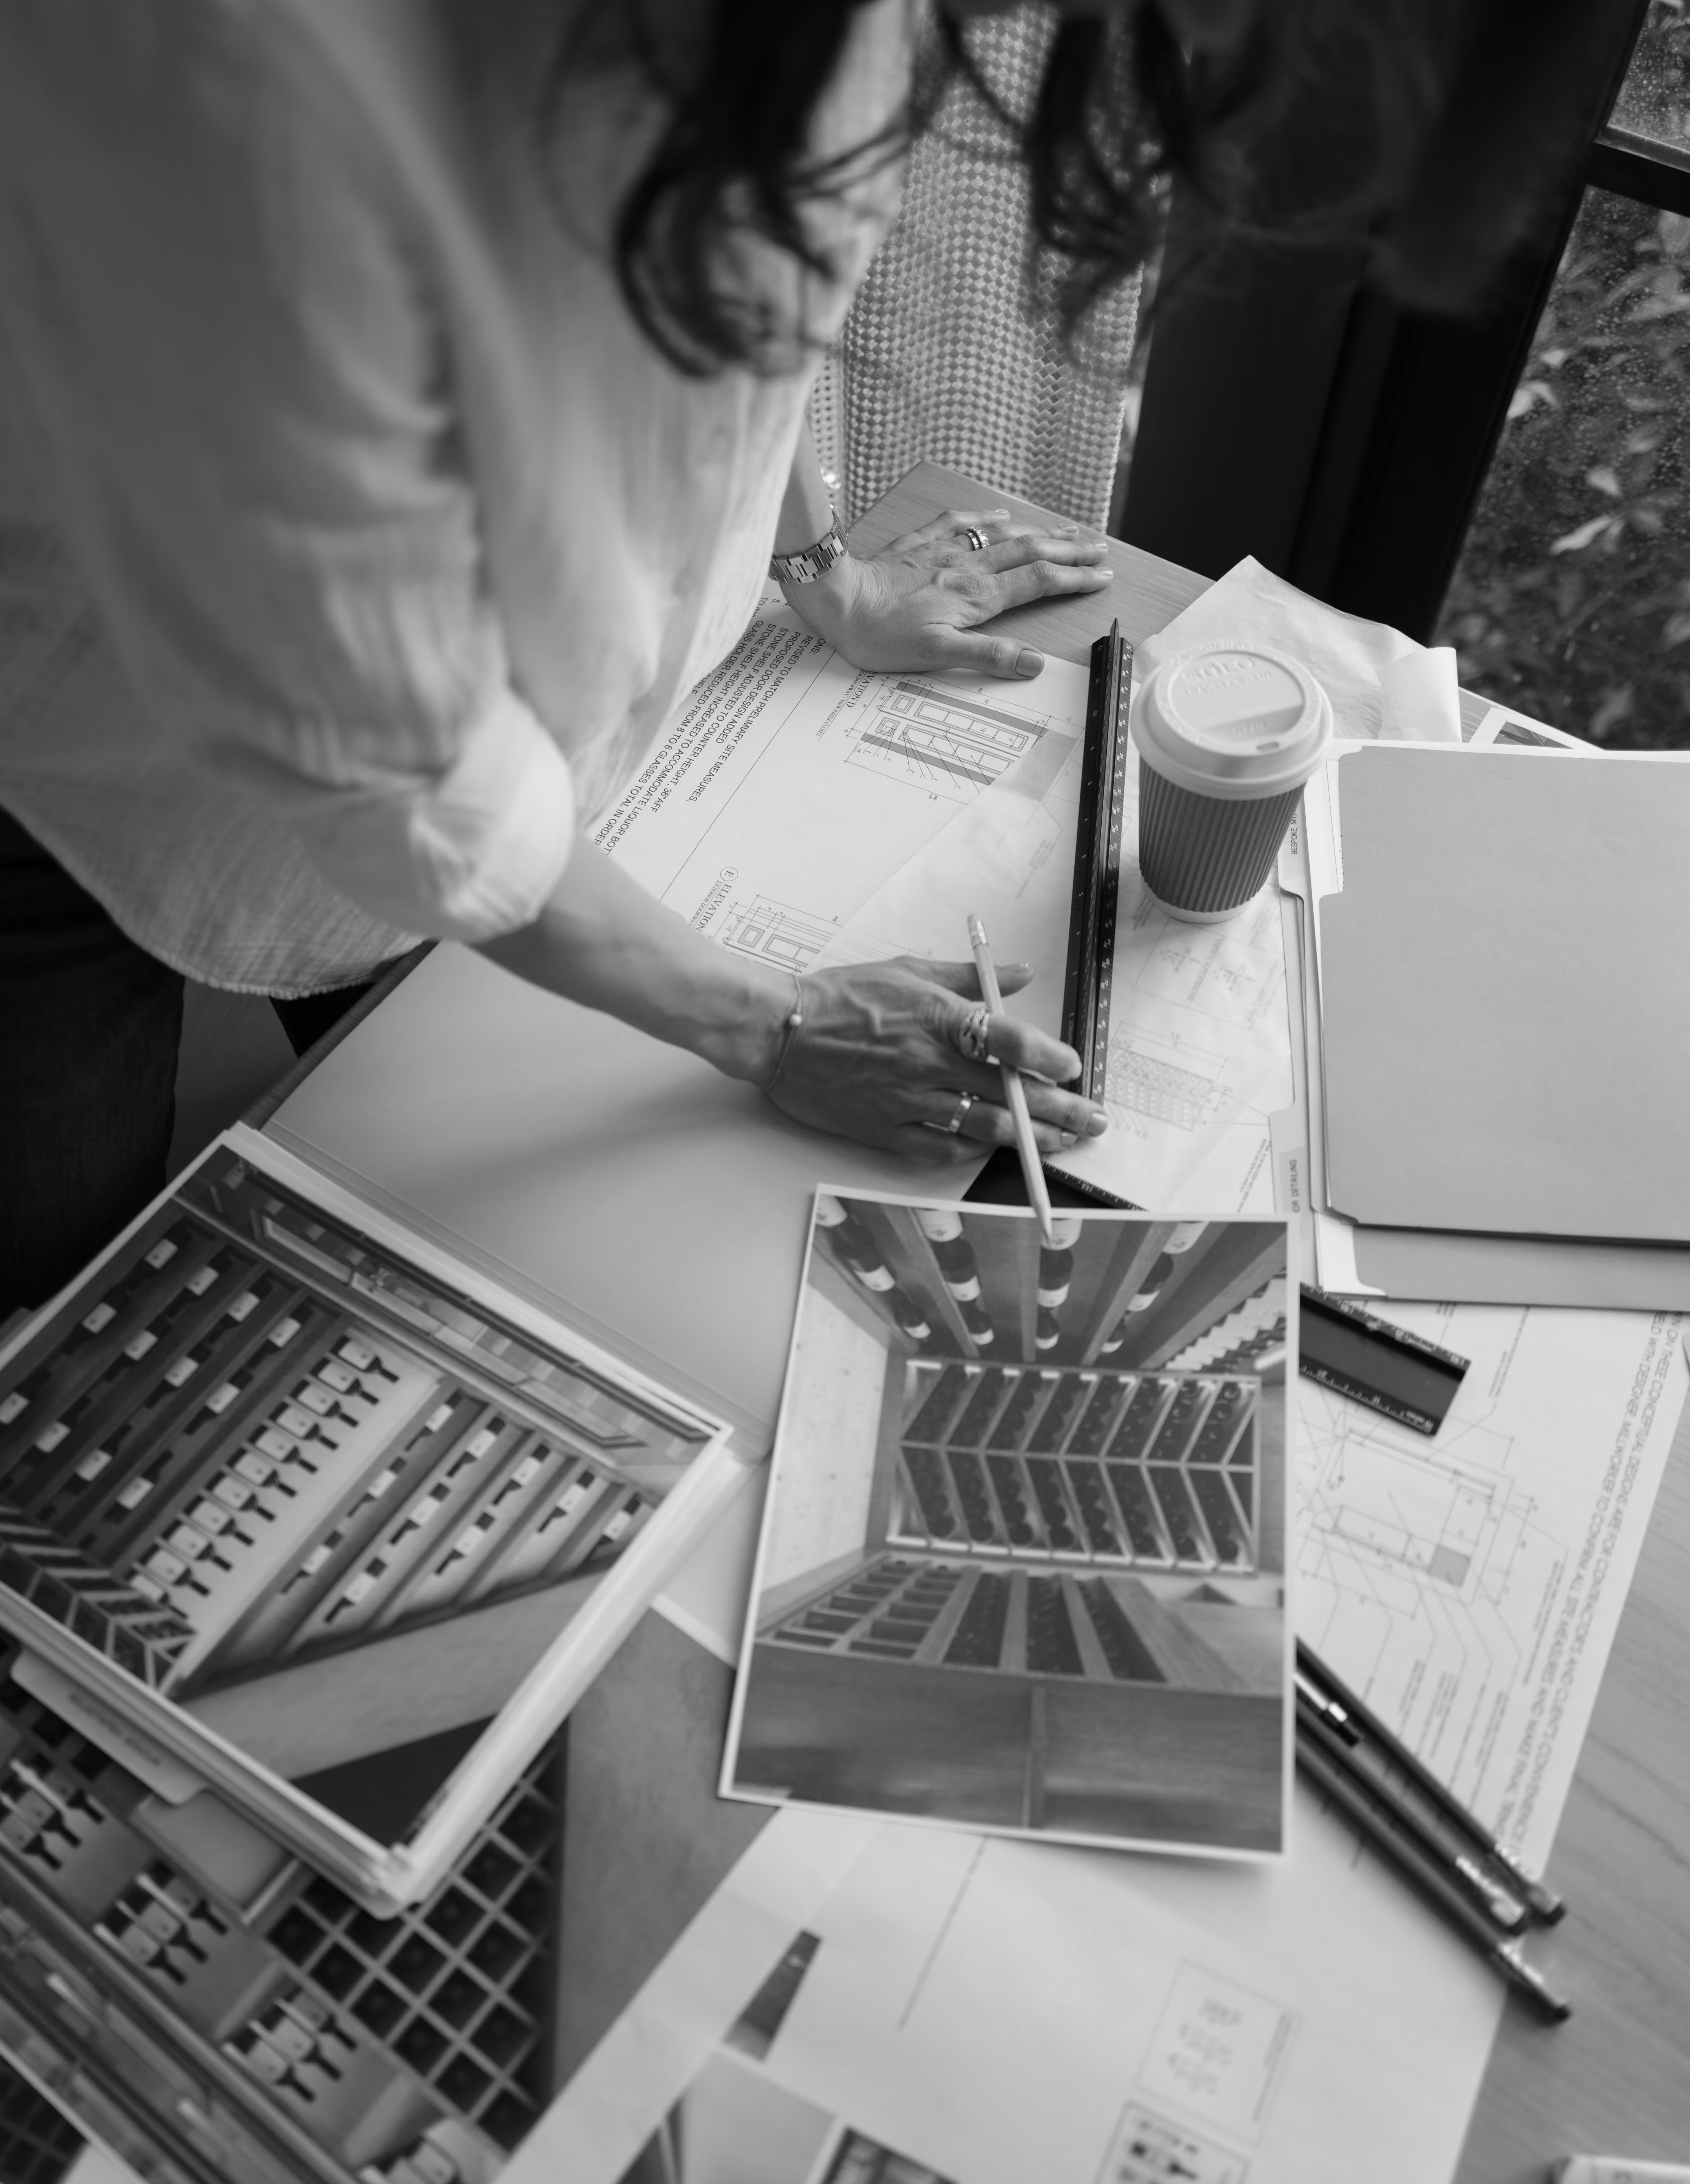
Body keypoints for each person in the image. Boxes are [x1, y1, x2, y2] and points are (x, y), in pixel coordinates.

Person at [0, 0, 1611, 1313]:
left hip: (434, 769)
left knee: (423, 1178)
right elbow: (407, 779)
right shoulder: (242, 74)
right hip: (78, 764)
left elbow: (724, 269)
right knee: (69, 1312)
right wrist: (770, 1026)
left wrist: (812, 561)